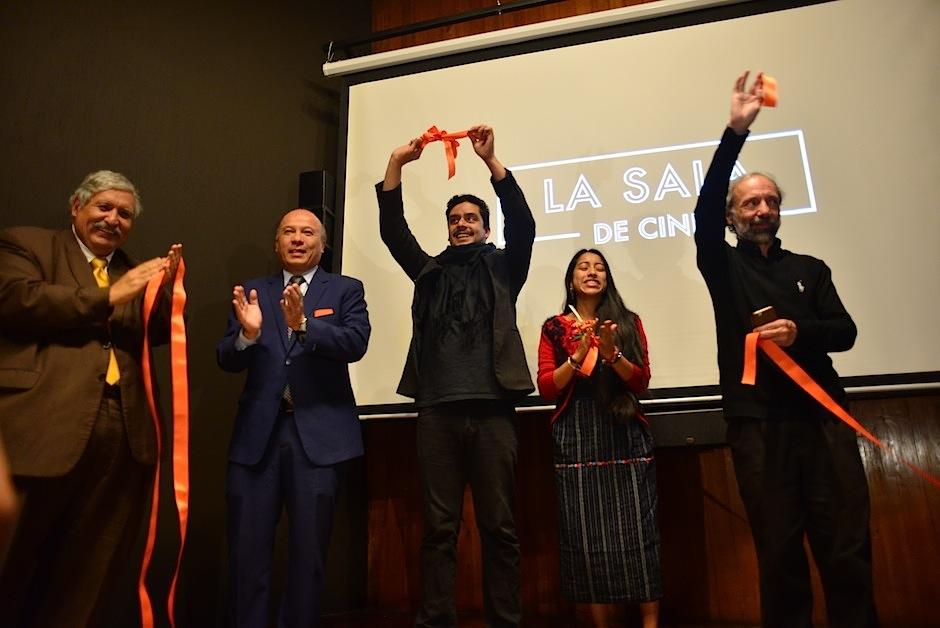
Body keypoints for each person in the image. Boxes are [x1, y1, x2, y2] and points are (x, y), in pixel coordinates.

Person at [693, 71, 877, 628]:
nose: (762, 209)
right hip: (759, 428)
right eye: (749, 203)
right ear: (732, 217)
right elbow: (700, 216)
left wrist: (802, 333)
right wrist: (734, 133)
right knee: (779, 556)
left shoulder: (810, 270)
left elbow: (844, 332)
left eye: (770, 201)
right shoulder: (723, 266)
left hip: (825, 422)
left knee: (846, 551)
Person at [0, 170, 181, 627]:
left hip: (123, 437)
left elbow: (155, 334)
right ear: (76, 207)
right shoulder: (27, 245)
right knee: (10, 562)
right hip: (43, 428)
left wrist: (168, 293)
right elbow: (18, 301)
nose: (113, 219)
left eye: (124, 214)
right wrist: (108, 296)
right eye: (103, 207)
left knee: (88, 575)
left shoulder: (132, 269)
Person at [376, 124, 536, 628]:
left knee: (500, 528)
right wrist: (396, 165)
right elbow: (392, 231)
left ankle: (505, 621)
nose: (462, 223)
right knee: (439, 529)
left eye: (471, 218)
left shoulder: (505, 266)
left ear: (486, 227)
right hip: (437, 412)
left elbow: (525, 225)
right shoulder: (429, 271)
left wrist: (492, 164)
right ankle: (436, 620)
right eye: (455, 219)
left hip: (494, 412)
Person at [217, 208, 370, 628]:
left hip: (317, 442)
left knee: (309, 556)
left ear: (322, 245)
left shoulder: (345, 290)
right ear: (276, 243)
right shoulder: (251, 291)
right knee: (246, 555)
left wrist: (303, 324)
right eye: (288, 231)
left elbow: (355, 343)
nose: (297, 239)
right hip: (256, 443)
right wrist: (246, 335)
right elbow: (225, 358)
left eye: (307, 232)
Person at [537, 249, 660, 628]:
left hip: (624, 432)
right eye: (583, 267)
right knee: (585, 535)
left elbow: (640, 382)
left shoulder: (627, 321)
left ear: (607, 278)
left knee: (639, 532)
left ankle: (651, 624)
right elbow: (545, 388)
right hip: (575, 434)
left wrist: (612, 354)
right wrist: (577, 356)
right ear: (571, 279)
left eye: (600, 268)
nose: (592, 273)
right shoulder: (555, 326)